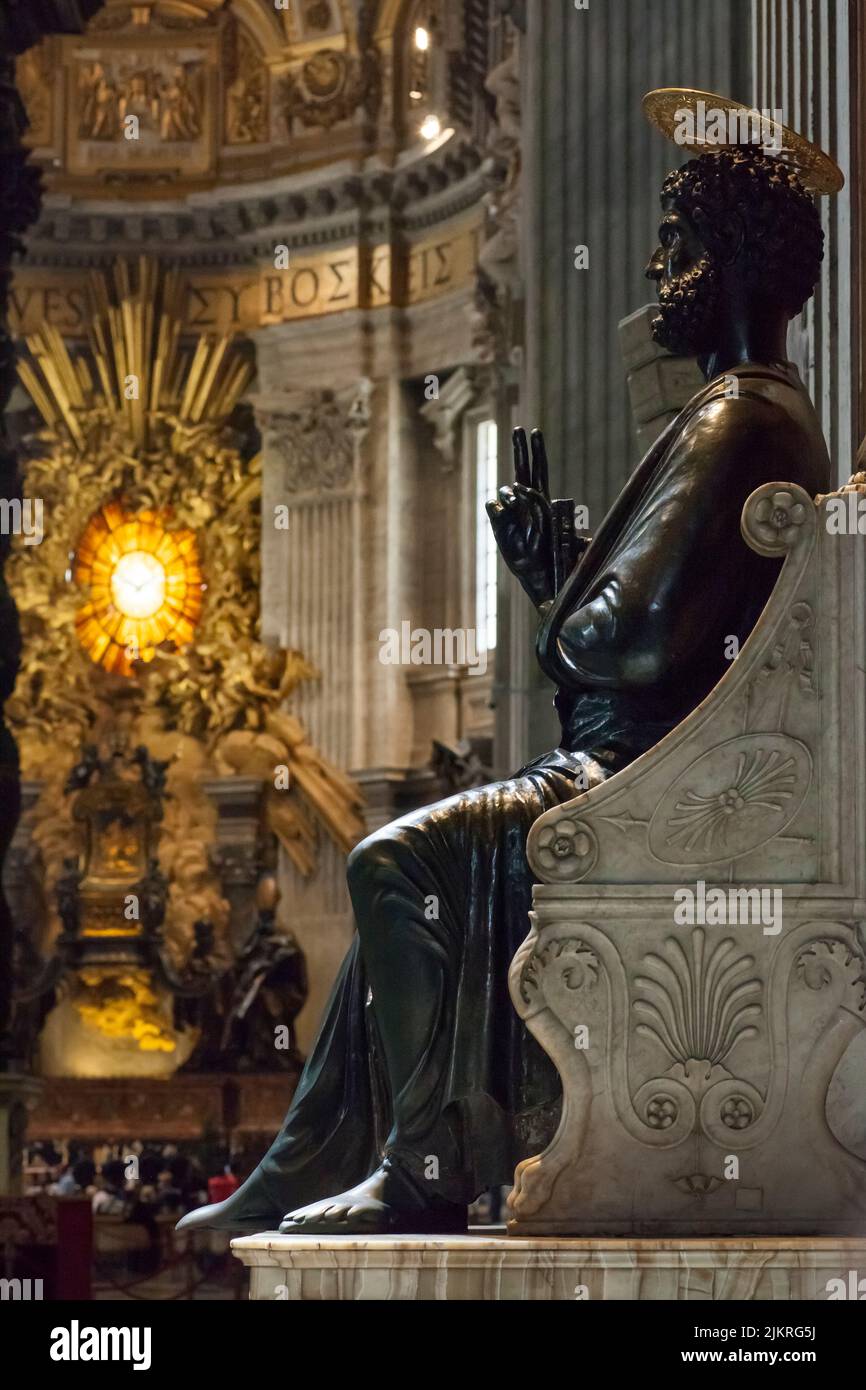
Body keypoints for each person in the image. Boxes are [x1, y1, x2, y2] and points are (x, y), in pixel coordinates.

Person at [179, 139, 832, 1238]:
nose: (652, 266)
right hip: (646, 767)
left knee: (392, 859)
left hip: (641, 784)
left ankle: (426, 1167)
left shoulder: (739, 420)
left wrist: (561, 594)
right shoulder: (740, 413)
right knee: (408, 866)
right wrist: (562, 587)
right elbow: (622, 631)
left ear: (725, 260)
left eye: (675, 244)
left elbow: (619, 646)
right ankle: (306, 1167)